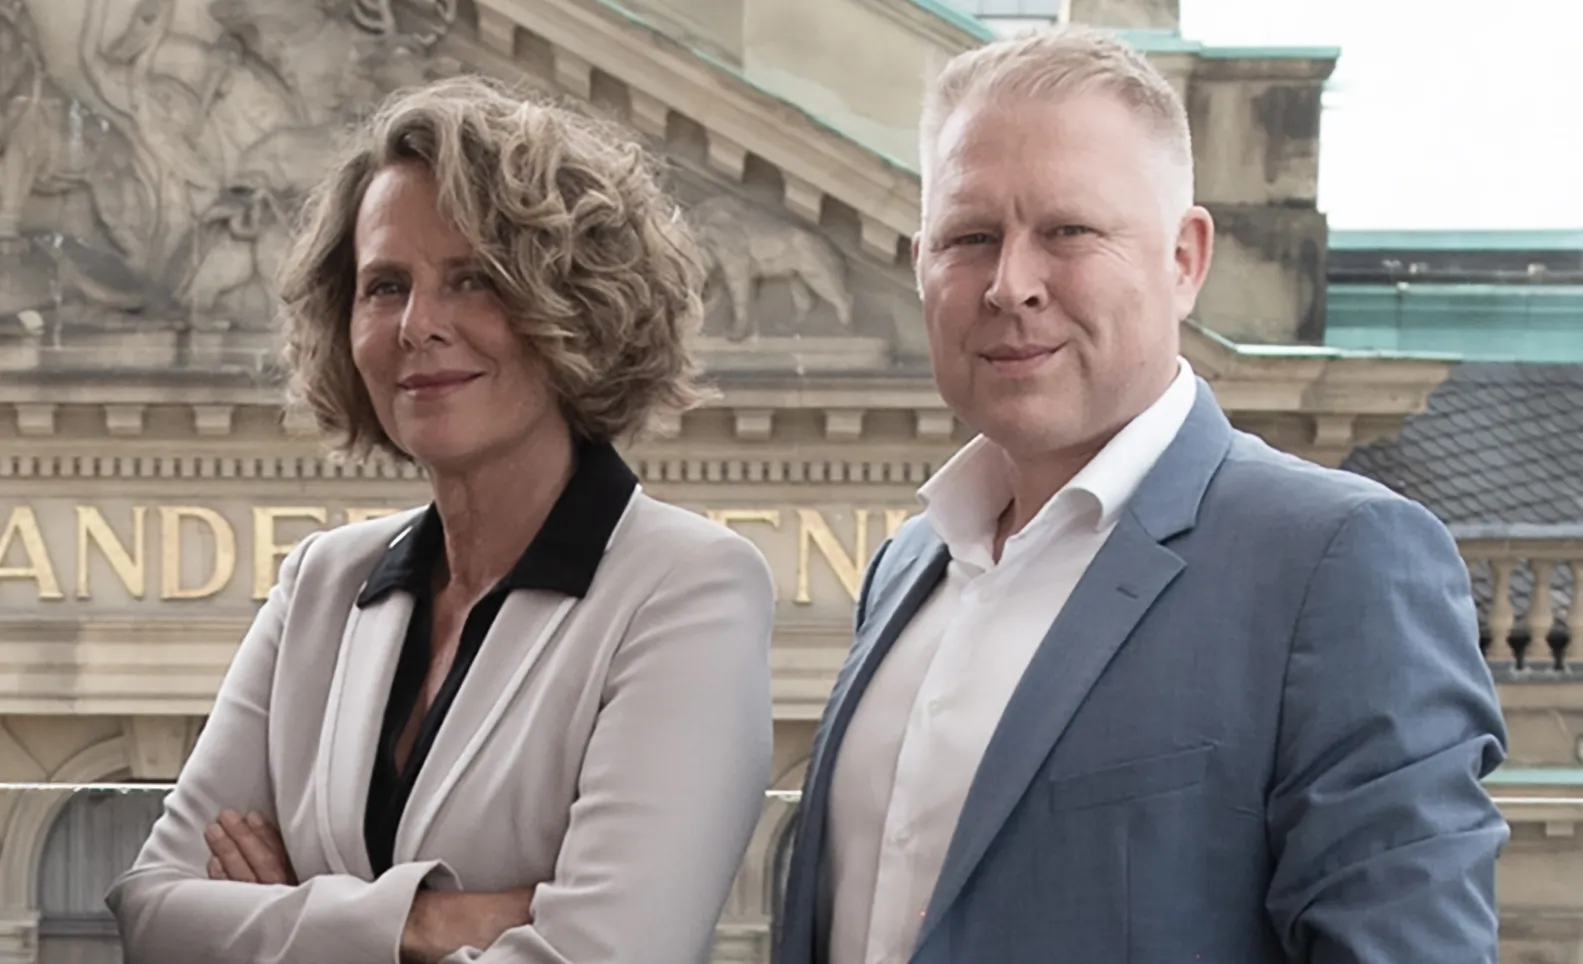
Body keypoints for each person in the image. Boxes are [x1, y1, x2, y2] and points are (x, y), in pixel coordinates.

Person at [776, 24, 1508, 964]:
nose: (1009, 284)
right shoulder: (907, 566)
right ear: (921, 263)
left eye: (1068, 232)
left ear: (1184, 258)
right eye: (969, 238)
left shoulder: (1333, 563)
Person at [107, 75, 776, 964]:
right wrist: (421, 923)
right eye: (385, 286)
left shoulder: (687, 586)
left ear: (578, 305)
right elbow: (153, 913)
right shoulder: (322, 584)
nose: (418, 325)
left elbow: (606, 954)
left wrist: (290, 918)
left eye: (474, 280)